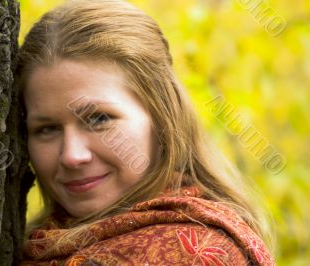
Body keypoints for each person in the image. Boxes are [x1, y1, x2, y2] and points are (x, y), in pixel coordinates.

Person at [18, 0, 274, 265]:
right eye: (47, 129)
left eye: (99, 119)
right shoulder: (35, 244)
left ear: (161, 115)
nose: (72, 156)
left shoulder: (193, 253)